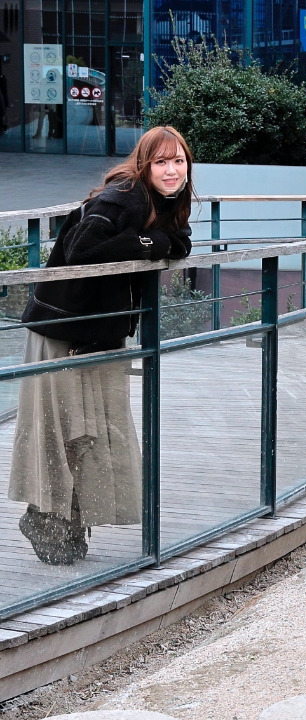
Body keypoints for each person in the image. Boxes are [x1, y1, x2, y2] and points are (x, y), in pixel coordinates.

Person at [10, 126, 194, 565]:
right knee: (61, 432)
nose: (171, 170)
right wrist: (147, 243)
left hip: (96, 334)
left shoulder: (164, 202)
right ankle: (46, 524)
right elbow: (80, 251)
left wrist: (160, 240)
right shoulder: (123, 196)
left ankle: (70, 526)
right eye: (161, 162)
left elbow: (181, 242)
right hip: (61, 333)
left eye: (179, 161)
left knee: (91, 432)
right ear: (144, 165)